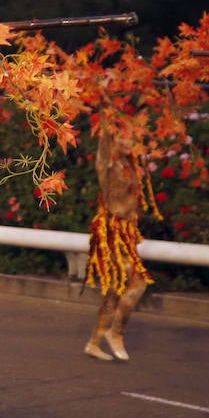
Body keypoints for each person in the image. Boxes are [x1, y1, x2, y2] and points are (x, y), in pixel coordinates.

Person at [82, 112, 153, 362]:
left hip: (128, 233)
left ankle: (94, 342)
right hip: (111, 232)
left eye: (130, 139)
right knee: (135, 284)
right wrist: (104, 103)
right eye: (122, 138)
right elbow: (104, 139)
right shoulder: (107, 165)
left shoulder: (129, 164)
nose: (127, 143)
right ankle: (116, 332)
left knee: (114, 292)